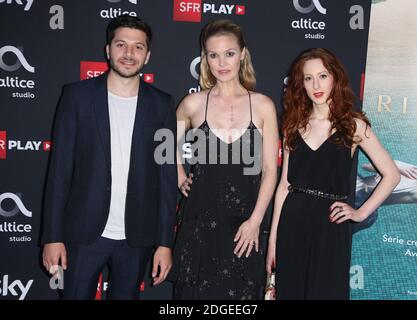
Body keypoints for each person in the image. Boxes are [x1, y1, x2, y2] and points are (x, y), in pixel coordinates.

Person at [41, 15, 177, 299]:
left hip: (136, 236)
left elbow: (166, 179)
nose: (129, 54)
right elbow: (59, 172)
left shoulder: (162, 105)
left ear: (148, 55)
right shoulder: (77, 96)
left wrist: (165, 243)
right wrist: (52, 237)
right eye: (121, 45)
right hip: (82, 233)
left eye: (138, 47)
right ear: (108, 50)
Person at [266, 48, 400, 300]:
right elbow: (284, 185)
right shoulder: (293, 125)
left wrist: (360, 213)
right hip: (293, 221)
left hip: (331, 226)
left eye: (322, 76)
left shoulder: (354, 126)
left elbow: (391, 175)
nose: (316, 84)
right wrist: (273, 239)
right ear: (301, 84)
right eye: (308, 78)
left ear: (335, 78)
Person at [168, 19, 279, 299]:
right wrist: (179, 174)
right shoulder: (193, 104)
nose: (222, 62)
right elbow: (166, 144)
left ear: (242, 54)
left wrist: (255, 221)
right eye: (213, 55)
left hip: (245, 224)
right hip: (199, 224)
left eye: (229, 53)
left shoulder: (263, 105)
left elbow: (269, 171)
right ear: (205, 58)